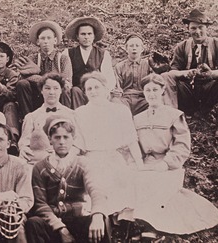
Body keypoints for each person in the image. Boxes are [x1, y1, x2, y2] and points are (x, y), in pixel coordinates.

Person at [133, 73, 218, 235]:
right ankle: (137, 224)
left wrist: (166, 163)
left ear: (163, 90)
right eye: (147, 90)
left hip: (167, 165)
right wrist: (137, 163)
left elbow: (182, 145)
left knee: (158, 187)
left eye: (155, 90)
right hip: (144, 164)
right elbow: (132, 145)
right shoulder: (137, 118)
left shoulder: (173, 115)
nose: (151, 94)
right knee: (135, 181)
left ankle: (154, 228)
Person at [26, 115, 111, 243]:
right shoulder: (40, 167)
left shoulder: (82, 164)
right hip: (52, 223)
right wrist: (60, 228)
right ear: (50, 140)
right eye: (57, 137)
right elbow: (40, 204)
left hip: (76, 220)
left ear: (73, 139)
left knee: (100, 222)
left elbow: (96, 189)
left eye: (66, 137)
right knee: (34, 223)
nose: (62, 142)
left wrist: (98, 214)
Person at [74, 71, 144, 216]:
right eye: (89, 89)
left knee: (124, 186)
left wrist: (140, 163)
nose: (93, 91)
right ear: (85, 93)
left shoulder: (120, 110)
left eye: (96, 87)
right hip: (90, 160)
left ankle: (122, 220)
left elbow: (131, 139)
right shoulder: (80, 113)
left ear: (106, 89)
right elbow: (77, 143)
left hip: (113, 158)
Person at [163, 9, 218, 136]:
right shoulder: (182, 47)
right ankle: (173, 118)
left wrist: (212, 74)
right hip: (188, 92)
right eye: (193, 28)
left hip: (210, 91)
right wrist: (185, 73)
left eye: (201, 28)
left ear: (207, 28)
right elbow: (173, 71)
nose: (197, 32)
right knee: (165, 77)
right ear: (188, 29)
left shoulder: (216, 44)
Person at [14, 20, 76, 117]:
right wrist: (36, 75)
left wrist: (38, 75)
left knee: (64, 89)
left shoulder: (62, 59)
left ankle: (64, 119)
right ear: (38, 41)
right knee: (22, 84)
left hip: (57, 96)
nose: (46, 41)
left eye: (49, 38)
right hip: (38, 96)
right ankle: (28, 118)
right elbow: (23, 78)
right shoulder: (32, 59)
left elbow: (66, 82)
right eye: (43, 38)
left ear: (55, 40)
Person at [18, 72, 83, 163]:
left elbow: (79, 143)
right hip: (40, 161)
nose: (51, 92)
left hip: (66, 160)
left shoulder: (71, 115)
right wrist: (24, 149)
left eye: (56, 88)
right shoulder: (32, 117)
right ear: (41, 91)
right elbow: (24, 142)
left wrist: (64, 152)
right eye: (47, 88)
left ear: (61, 90)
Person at [112, 33, 177, 115]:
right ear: (126, 48)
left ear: (142, 49)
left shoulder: (149, 64)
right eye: (131, 46)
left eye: (137, 46)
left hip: (144, 98)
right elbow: (117, 85)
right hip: (125, 98)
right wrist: (117, 91)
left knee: (158, 104)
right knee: (115, 103)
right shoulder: (119, 66)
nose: (134, 48)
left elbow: (154, 81)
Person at [64, 17, 116, 98]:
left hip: (95, 92)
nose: (86, 37)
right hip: (76, 93)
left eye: (89, 34)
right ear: (77, 36)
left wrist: (105, 90)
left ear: (94, 36)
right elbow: (66, 76)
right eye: (83, 34)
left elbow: (109, 77)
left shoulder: (103, 54)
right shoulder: (68, 53)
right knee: (75, 91)